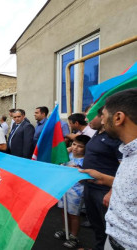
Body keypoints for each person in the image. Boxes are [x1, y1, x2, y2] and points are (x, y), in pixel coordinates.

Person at [80, 89, 137, 250]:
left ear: (118, 118)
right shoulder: (128, 151)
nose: (102, 122)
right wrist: (106, 179)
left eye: (103, 116)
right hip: (113, 240)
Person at [80, 107, 122, 250]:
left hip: (104, 191)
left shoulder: (115, 138)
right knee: (96, 225)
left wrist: (112, 190)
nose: (86, 120)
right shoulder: (97, 134)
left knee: (109, 228)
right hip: (90, 187)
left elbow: (124, 167)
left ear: (103, 118)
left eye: (90, 117)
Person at [54, 135, 91, 248]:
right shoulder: (67, 155)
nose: (75, 148)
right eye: (74, 144)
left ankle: (74, 236)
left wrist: (78, 170)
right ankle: (65, 229)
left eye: (80, 146)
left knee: (74, 214)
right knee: (63, 210)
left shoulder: (87, 160)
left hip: (77, 191)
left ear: (86, 148)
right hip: (64, 188)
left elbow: (87, 178)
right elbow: (57, 160)